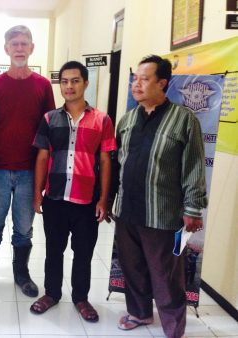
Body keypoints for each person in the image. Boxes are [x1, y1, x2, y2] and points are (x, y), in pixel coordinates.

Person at [112, 55, 207, 338]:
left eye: (144, 79)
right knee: (133, 268)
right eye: (135, 79)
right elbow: (117, 163)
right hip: (128, 210)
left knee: (166, 274)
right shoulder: (127, 120)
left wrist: (192, 209)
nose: (136, 84)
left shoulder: (184, 120)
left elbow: (194, 167)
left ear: (162, 83)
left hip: (163, 214)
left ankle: (173, 328)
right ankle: (140, 313)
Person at [30, 61, 117, 322]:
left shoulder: (102, 120)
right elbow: (43, 158)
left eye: (75, 80)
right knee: (53, 251)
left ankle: (81, 298)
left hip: (86, 200)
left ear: (86, 83)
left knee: (83, 253)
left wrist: (103, 199)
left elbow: (105, 161)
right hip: (55, 197)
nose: (69, 86)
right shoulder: (49, 118)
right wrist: (37, 194)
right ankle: (52, 294)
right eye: (64, 81)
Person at [0, 25, 55, 298]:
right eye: (14, 43)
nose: (19, 48)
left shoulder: (43, 86)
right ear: (6, 48)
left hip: (29, 170)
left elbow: (49, 131)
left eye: (24, 43)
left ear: (31, 48)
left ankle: (21, 273)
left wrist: (45, 176)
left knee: (24, 227)